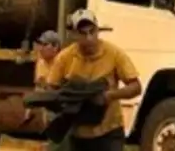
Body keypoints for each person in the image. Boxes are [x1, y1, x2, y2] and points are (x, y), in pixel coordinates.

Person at [44, 9, 142, 151]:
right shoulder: (64, 58)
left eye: (92, 32)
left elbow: (136, 87)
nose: (89, 38)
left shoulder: (114, 54)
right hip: (78, 134)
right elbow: (51, 89)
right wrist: (68, 100)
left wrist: (108, 96)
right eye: (83, 33)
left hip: (109, 132)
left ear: (98, 31)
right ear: (74, 34)